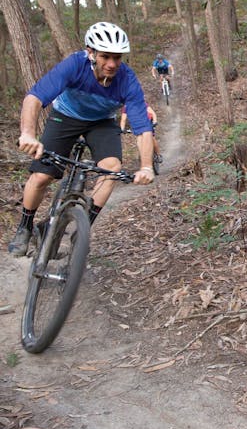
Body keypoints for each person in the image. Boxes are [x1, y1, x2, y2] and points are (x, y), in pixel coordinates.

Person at [7, 22, 155, 257]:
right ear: (91, 53)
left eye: (117, 58)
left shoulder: (126, 78)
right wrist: (27, 134)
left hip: (102, 122)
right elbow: (34, 98)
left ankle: (81, 229)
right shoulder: (75, 65)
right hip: (65, 117)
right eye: (105, 57)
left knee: (111, 170)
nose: (112, 64)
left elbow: (142, 127)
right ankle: (25, 227)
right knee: (43, 174)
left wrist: (146, 166)